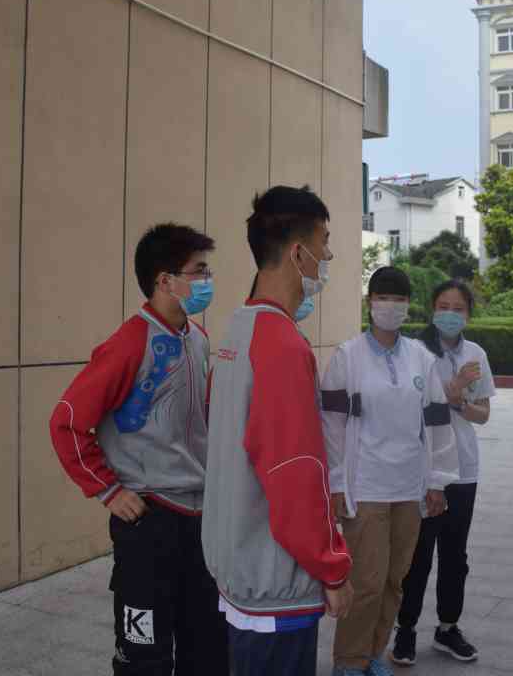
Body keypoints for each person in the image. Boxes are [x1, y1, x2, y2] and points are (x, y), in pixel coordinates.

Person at [48, 223, 228, 676]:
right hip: (149, 523)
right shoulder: (129, 343)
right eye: (199, 272)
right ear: (165, 280)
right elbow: (67, 423)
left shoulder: (198, 339)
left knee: (207, 648)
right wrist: (108, 490)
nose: (207, 281)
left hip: (200, 520)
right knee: (144, 655)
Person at [203, 185, 353, 676]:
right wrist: (332, 567)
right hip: (275, 582)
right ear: (297, 252)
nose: (328, 257)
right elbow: (295, 473)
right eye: (324, 242)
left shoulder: (238, 329)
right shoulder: (283, 345)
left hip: (240, 567)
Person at [321, 266, 460, 676]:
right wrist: (335, 482)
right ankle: (348, 661)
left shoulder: (421, 358)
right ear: (370, 303)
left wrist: (438, 481)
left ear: (408, 305)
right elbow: (331, 425)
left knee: (394, 580)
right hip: (364, 486)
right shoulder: (348, 356)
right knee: (366, 581)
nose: (391, 306)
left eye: (400, 299)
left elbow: (437, 422)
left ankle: (372, 655)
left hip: (409, 488)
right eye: (384, 297)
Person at [393, 280, 495, 667]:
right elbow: (409, 407)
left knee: (455, 555)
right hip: (424, 467)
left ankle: (448, 627)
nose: (449, 314)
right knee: (417, 554)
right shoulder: (414, 351)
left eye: (458, 308)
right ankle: (405, 629)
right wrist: (451, 388)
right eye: (442, 306)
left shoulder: (476, 354)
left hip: (463, 470)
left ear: (469, 314)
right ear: (432, 309)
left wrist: (459, 401)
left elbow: (483, 414)